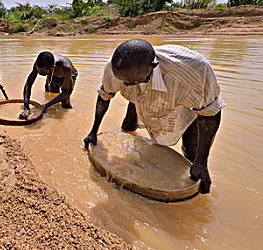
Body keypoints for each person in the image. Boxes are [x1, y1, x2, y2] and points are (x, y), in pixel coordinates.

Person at [83, 39, 225, 194]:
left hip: (181, 100)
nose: (125, 84)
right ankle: (134, 112)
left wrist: (202, 162)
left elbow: (211, 113)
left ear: (153, 67)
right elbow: (104, 97)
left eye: (130, 81)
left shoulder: (192, 72)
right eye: (122, 80)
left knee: (191, 149)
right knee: (128, 126)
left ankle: (198, 168)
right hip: (138, 97)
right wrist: (93, 131)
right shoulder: (115, 70)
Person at [20, 51, 78, 119]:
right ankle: (55, 108)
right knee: (51, 92)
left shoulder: (66, 67)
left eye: (43, 72)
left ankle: (70, 117)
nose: (40, 74)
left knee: (65, 103)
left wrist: (47, 105)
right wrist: (26, 107)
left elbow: (67, 91)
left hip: (68, 75)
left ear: (52, 67)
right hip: (52, 73)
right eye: (39, 71)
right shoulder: (39, 64)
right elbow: (28, 83)